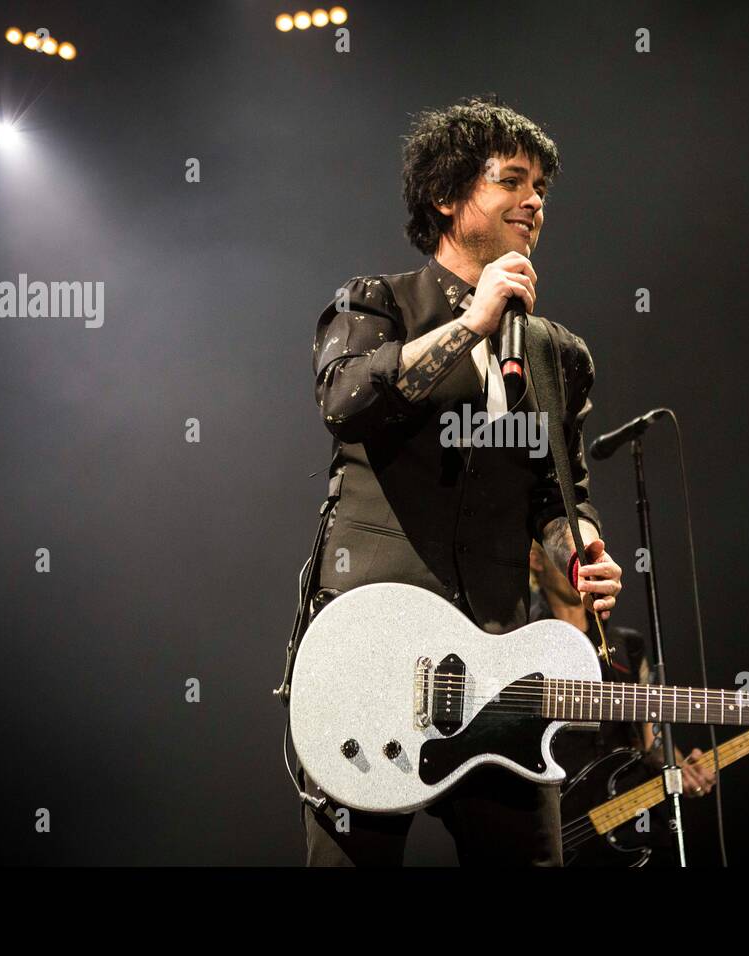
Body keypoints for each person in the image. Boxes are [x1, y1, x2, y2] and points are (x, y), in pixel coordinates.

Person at [296, 95, 623, 866]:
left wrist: (582, 547)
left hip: (502, 670)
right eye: (512, 180)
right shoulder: (374, 302)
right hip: (371, 658)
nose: (535, 201)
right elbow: (346, 402)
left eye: (542, 187)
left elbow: (557, 492)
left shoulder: (557, 355)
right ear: (448, 197)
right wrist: (471, 324)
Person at [528, 542, 713, 866]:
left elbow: (651, 739)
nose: (579, 567)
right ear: (537, 559)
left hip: (633, 824)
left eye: (586, 557)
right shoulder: (524, 639)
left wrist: (679, 766)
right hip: (559, 826)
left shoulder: (628, 644)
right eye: (567, 557)